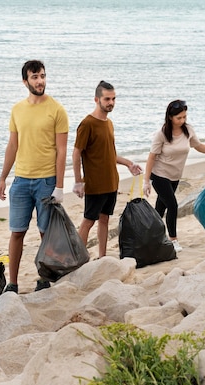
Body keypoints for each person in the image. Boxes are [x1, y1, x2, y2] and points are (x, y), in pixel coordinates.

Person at [0, 59, 69, 294]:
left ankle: (44, 278)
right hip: (20, 181)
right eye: (35, 77)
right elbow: (12, 145)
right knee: (17, 232)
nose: (40, 81)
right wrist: (2, 178)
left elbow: (62, 151)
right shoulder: (17, 109)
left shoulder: (57, 109)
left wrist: (59, 186)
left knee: (45, 233)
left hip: (46, 181)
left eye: (42, 76)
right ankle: (13, 283)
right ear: (25, 81)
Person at [143, 100, 205, 252]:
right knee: (172, 205)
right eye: (179, 118)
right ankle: (173, 240)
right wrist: (146, 181)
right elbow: (151, 157)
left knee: (160, 207)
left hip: (175, 175)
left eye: (185, 117)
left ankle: (152, 237)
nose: (183, 120)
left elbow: (198, 146)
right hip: (159, 174)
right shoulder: (161, 134)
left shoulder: (188, 130)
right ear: (170, 117)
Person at [72, 81, 142, 259]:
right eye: (107, 99)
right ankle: (79, 258)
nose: (111, 102)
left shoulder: (109, 123)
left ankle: (102, 257)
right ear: (97, 99)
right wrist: (78, 181)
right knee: (88, 221)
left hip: (111, 182)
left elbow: (110, 153)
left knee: (104, 220)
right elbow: (76, 153)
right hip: (95, 184)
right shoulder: (87, 124)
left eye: (113, 99)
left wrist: (128, 163)